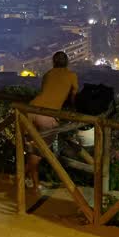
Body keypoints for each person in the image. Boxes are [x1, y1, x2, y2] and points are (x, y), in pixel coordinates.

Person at [25, 51, 78, 191]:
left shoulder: (48, 74)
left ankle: (32, 183)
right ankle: (23, 178)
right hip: (47, 115)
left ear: (53, 62)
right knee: (39, 151)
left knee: (33, 148)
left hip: (30, 110)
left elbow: (46, 92)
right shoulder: (72, 76)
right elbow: (73, 98)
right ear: (67, 62)